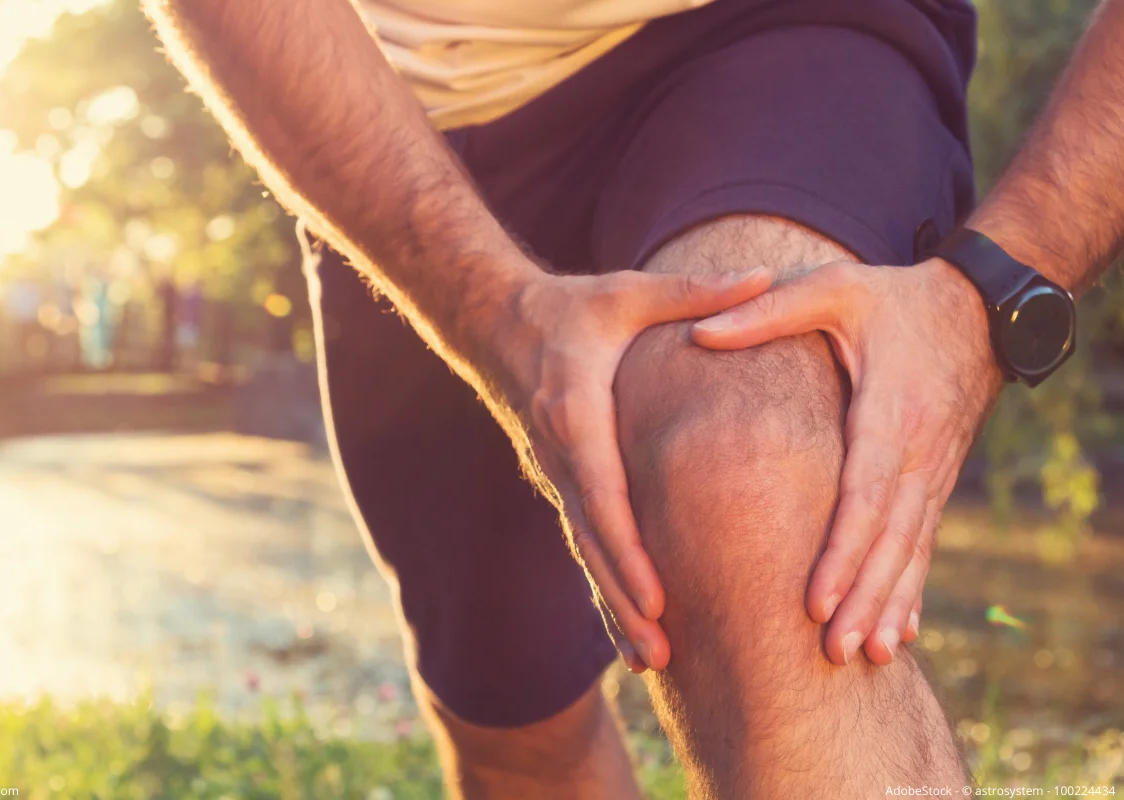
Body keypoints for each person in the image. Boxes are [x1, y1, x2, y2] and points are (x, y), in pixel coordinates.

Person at [142, 0, 1122, 796]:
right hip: (396, 109)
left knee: (747, 473)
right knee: (517, 720)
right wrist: (490, 310)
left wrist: (1001, 278)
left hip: (779, 30)